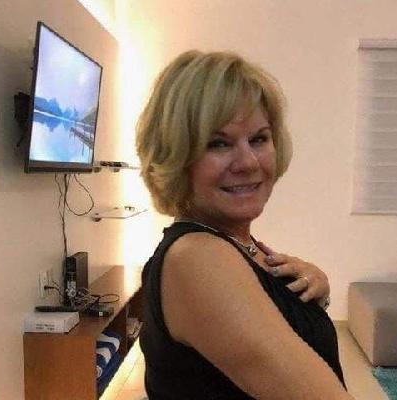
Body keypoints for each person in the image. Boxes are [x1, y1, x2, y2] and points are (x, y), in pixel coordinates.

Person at [136, 50, 353, 399]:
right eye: (218, 144)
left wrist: (315, 297)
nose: (248, 162)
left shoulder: (237, 245)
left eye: (258, 139)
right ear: (175, 156)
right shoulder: (197, 258)